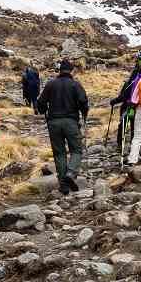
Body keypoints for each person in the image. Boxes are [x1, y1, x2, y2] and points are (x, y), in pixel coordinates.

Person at [37, 60, 89, 195]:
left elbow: (40, 103)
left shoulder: (50, 84)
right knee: (76, 150)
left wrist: (44, 111)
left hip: (53, 123)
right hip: (71, 122)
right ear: (71, 71)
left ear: (59, 71)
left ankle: (63, 185)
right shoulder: (75, 85)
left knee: (59, 153)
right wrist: (84, 114)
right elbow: (83, 102)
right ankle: (71, 174)